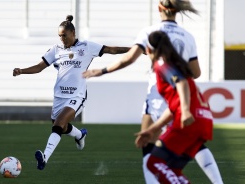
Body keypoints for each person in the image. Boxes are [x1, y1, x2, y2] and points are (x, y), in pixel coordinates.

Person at [83, 1, 223, 183]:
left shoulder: (151, 34)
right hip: (184, 98)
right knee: (192, 145)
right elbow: (196, 73)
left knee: (150, 153)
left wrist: (101, 71)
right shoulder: (188, 36)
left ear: (159, 9)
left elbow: (128, 59)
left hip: (160, 95)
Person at [13, 15, 130, 170]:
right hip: (59, 96)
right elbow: (39, 67)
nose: (62, 39)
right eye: (60, 36)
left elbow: (111, 49)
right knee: (59, 125)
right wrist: (22, 71)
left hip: (77, 95)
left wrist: (135, 50)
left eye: (65, 36)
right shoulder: (56, 49)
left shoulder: (86, 47)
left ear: (73, 33)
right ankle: (79, 135)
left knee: (60, 122)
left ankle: (45, 157)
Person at [135, 30, 214, 183]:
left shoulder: (162, 64)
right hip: (203, 121)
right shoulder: (176, 64)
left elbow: (181, 82)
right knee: (174, 170)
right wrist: (152, 129)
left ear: (148, 50)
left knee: (153, 162)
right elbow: (172, 107)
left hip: (190, 122)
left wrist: (184, 111)